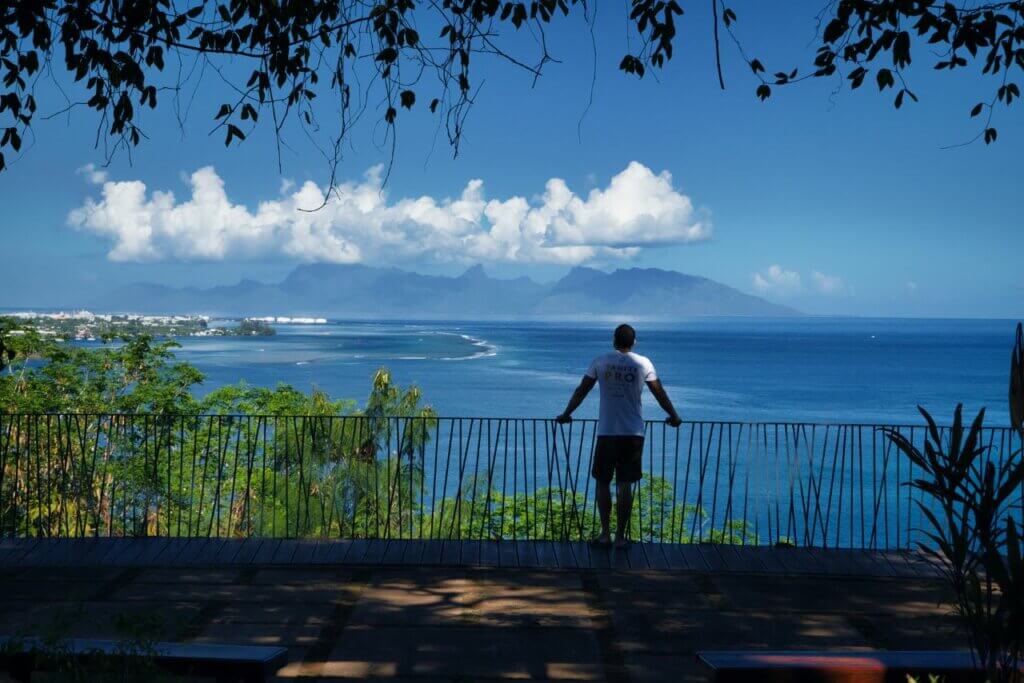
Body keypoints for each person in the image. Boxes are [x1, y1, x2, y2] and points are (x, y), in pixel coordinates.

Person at [556, 324, 682, 549]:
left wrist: (567, 414)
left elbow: (581, 391)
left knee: (602, 482)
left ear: (614, 340)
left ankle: (605, 534)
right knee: (625, 485)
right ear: (634, 342)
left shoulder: (600, 361)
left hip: (607, 431)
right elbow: (659, 392)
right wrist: (673, 416)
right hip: (633, 433)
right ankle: (621, 537)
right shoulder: (644, 363)